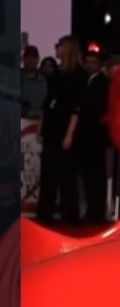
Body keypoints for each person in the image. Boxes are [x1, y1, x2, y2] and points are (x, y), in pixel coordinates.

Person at [36, 35, 86, 225]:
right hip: (52, 129)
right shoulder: (56, 74)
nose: (57, 49)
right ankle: (45, 215)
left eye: (60, 46)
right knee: (48, 175)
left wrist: (70, 133)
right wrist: (40, 129)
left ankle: (70, 216)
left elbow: (76, 108)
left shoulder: (78, 75)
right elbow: (47, 104)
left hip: (66, 130)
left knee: (67, 176)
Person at [76, 50, 110, 224]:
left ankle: (97, 212)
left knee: (96, 176)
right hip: (83, 136)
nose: (90, 65)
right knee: (87, 177)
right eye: (87, 62)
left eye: (93, 62)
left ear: (100, 64)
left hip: (96, 137)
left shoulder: (104, 83)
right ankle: (90, 210)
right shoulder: (83, 81)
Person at [21, 45, 48, 119]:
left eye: (34, 57)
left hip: (42, 121)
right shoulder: (14, 78)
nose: (31, 60)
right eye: (28, 57)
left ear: (38, 59)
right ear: (23, 59)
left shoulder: (46, 79)